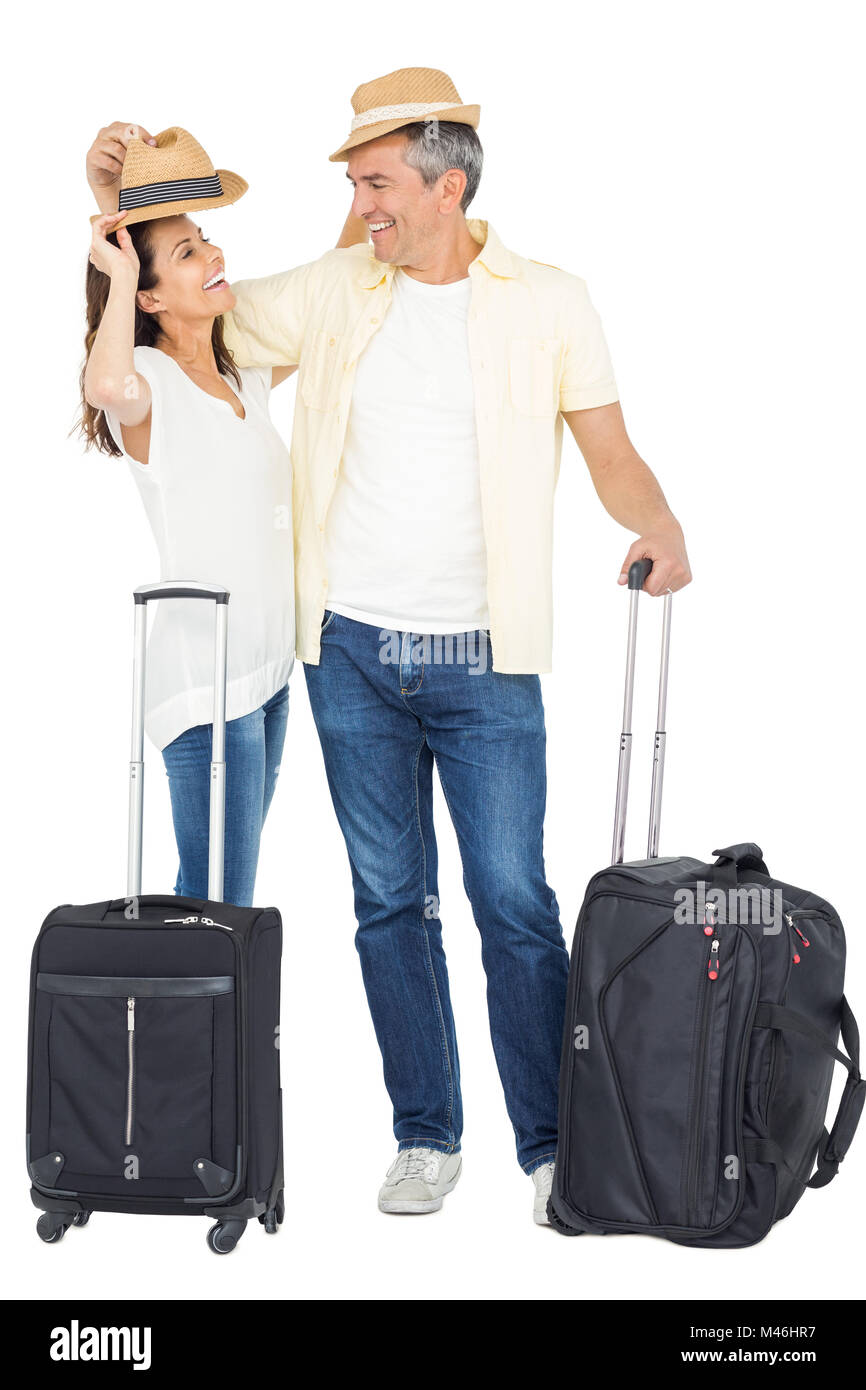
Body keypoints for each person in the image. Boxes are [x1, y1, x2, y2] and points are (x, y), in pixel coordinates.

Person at [220, 66, 692, 1221]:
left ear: (447, 185)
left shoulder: (549, 298)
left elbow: (608, 449)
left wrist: (661, 521)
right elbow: (195, 324)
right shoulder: (334, 288)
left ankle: (549, 1142)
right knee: (388, 902)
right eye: (353, 182)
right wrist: (123, 219)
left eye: (375, 181)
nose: (359, 203)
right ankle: (425, 1134)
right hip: (350, 656)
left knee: (512, 903)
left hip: (486, 658)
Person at [80, 124, 367, 906]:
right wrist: (114, 258)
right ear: (147, 295)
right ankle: (197, 1031)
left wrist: (365, 183)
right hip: (209, 687)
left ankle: (170, 1029)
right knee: (221, 905)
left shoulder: (240, 371)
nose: (212, 257)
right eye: (184, 255)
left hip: (266, 673)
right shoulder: (146, 381)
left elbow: (328, 285)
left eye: (205, 240)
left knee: (206, 896)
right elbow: (105, 387)